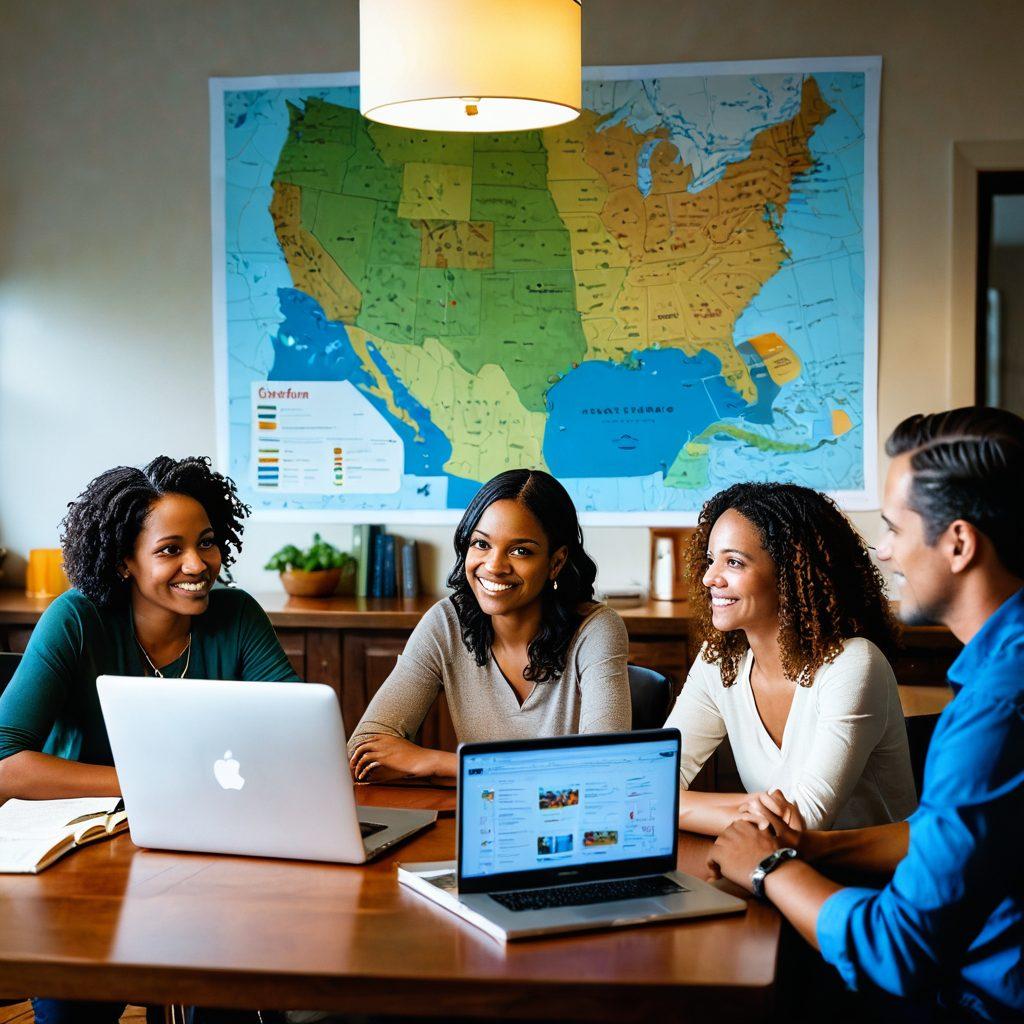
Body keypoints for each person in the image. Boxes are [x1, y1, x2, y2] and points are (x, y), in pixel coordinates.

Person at [708, 408, 1024, 1022]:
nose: (883, 551)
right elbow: (940, 834)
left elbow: (899, 949)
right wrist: (812, 847)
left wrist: (768, 867)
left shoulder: (995, 708)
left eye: (894, 528)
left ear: (958, 544)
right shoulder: (999, 670)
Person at [0, 456, 299, 1024]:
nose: (198, 564)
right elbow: (4, 764)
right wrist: (154, 787)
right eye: (170, 550)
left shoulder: (237, 616)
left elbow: (296, 736)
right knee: (73, 1011)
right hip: (85, 863)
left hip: (211, 857)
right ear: (123, 562)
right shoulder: (76, 620)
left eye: (206, 543)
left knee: (237, 996)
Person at [348, 469, 631, 782]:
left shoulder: (596, 629)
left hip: (566, 814)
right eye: (481, 544)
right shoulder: (446, 623)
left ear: (556, 562)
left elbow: (604, 765)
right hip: (480, 811)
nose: (494, 566)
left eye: (520, 551)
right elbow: (363, 753)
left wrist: (436, 762)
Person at [665, 482, 916, 835]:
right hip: (774, 858)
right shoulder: (719, 660)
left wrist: (673, 806)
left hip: (869, 869)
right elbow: (651, 784)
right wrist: (749, 808)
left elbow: (803, 823)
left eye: (733, 562)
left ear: (790, 572)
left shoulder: (854, 664)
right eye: (710, 560)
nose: (709, 578)